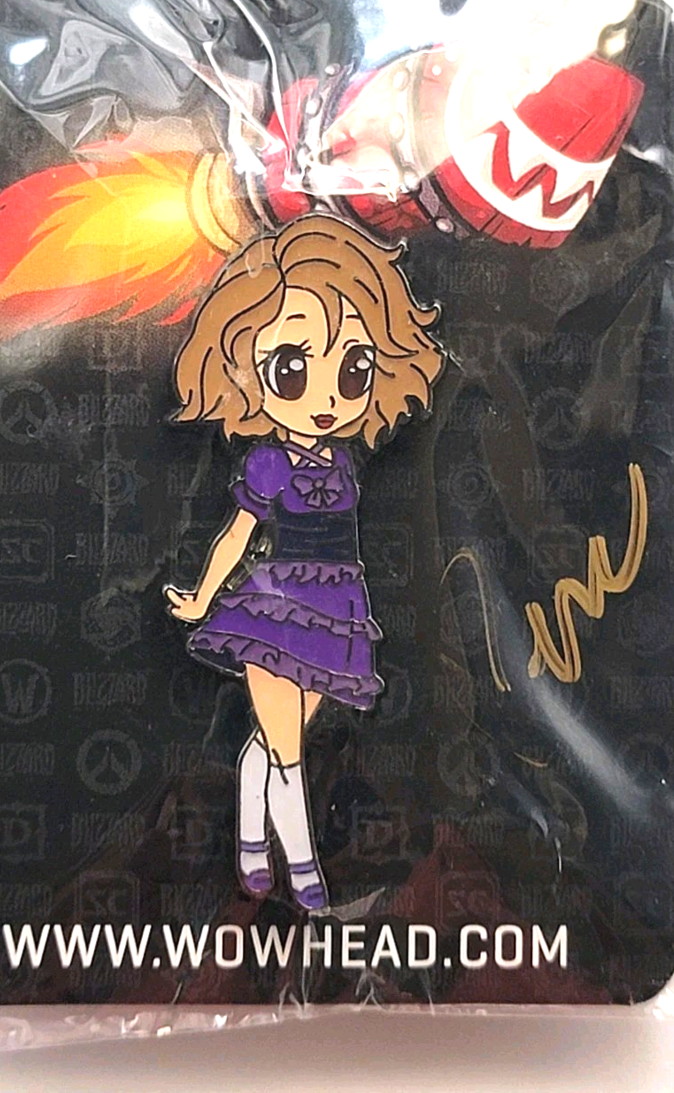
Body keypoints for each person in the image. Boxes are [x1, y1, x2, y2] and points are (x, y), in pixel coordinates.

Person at [164, 214, 445, 911]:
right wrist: (203, 597)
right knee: (288, 750)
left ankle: (248, 842)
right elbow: (236, 534)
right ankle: (303, 869)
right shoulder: (266, 462)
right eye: (292, 369)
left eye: (353, 369)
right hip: (271, 608)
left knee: (272, 739)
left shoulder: (346, 462)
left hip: (336, 611)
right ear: (244, 369)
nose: (327, 397)